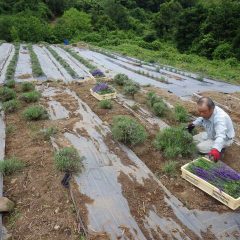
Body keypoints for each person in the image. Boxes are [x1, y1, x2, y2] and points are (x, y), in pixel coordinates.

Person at [187, 97, 235, 162]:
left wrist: (215, 149)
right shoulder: (206, 112)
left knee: (199, 147)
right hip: (211, 134)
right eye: (199, 111)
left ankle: (220, 150)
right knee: (191, 140)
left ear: (212, 109)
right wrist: (193, 124)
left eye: (203, 112)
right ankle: (213, 147)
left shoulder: (220, 118)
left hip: (224, 139)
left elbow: (221, 136)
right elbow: (202, 118)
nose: (201, 114)